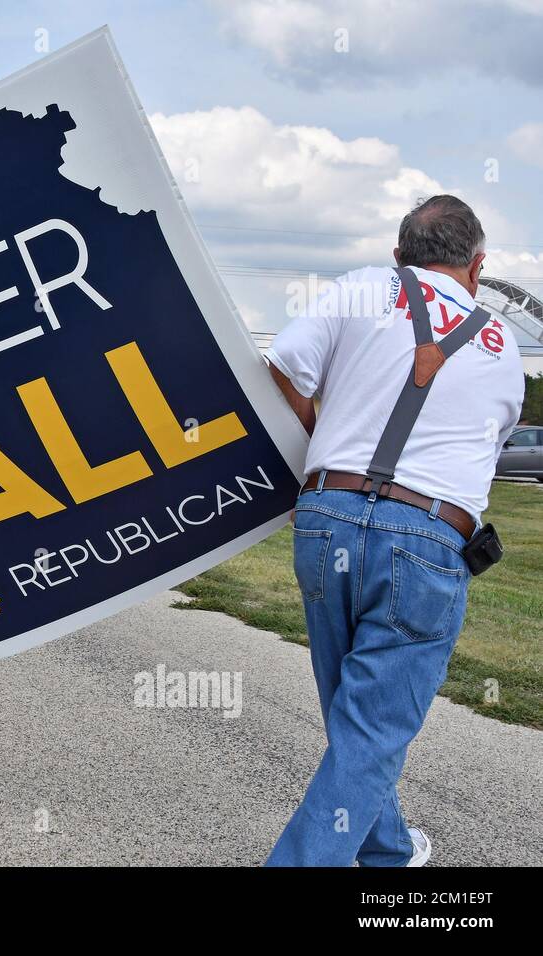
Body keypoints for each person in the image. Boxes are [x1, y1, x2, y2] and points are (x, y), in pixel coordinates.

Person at [264, 195, 524, 866]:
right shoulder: (499, 346)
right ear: (478, 266)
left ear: (400, 256)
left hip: (327, 520)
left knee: (355, 714)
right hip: (428, 538)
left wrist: (317, 447)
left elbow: (285, 362)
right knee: (373, 725)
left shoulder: (363, 288)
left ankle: (387, 849)